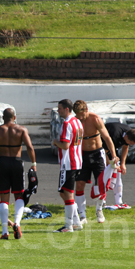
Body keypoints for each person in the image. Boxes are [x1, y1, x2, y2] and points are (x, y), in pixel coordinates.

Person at [0, 107, 36, 240]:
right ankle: (17, 223)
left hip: (3, 162)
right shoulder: (22, 129)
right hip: (17, 162)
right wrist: (33, 164)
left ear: (3, 118)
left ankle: (4, 232)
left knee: (4, 198)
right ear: (14, 117)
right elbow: (30, 147)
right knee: (19, 195)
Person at [73, 100, 118, 226]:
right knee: (80, 185)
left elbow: (107, 138)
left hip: (97, 154)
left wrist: (113, 156)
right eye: (77, 115)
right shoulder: (74, 121)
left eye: (82, 114)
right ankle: (82, 215)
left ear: (86, 110)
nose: (80, 117)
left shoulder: (95, 119)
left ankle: (99, 209)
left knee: (100, 184)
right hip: (82, 155)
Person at [52, 99, 84, 233]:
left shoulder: (67, 123)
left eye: (59, 108)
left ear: (66, 109)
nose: (58, 111)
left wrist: (55, 142)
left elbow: (65, 145)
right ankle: (76, 222)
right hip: (76, 161)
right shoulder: (77, 122)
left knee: (68, 194)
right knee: (63, 193)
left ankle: (68, 225)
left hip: (68, 163)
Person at [101, 122, 135, 210]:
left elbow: (125, 147)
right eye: (131, 142)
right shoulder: (115, 134)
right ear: (126, 137)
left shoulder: (128, 133)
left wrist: (122, 164)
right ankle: (102, 201)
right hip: (101, 149)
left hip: (112, 151)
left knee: (118, 174)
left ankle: (119, 201)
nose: (131, 144)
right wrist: (112, 164)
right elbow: (106, 149)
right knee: (105, 175)